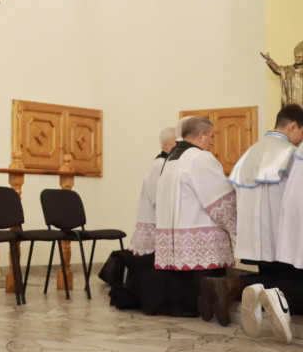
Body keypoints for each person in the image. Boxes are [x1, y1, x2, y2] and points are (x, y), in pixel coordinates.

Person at [202, 105, 303, 334]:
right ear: (294, 126)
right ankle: (234, 286)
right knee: (289, 281)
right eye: (301, 133)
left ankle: (230, 285)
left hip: (253, 236)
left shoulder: (252, 150)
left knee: (267, 275)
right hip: (278, 234)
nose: (300, 140)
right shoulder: (289, 153)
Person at [148, 117, 236, 316]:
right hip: (201, 234)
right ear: (201, 135)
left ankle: (184, 306)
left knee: (182, 286)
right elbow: (219, 199)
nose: (212, 142)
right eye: (211, 136)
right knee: (206, 283)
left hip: (175, 235)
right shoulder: (200, 158)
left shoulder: (170, 159)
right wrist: (238, 224)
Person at [101, 126, 175, 291]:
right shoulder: (160, 165)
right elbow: (158, 198)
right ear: (168, 143)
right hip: (154, 219)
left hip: (158, 219)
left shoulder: (165, 164)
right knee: (145, 261)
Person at [261, 40, 303, 107]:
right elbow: (278, 69)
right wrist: (269, 60)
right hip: (292, 107)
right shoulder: (288, 70)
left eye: (299, 57)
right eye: (295, 57)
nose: (297, 59)